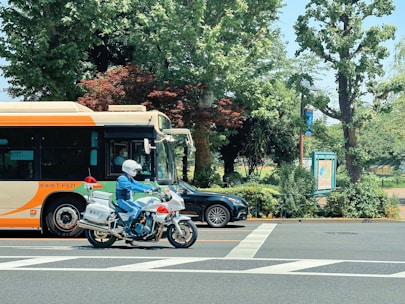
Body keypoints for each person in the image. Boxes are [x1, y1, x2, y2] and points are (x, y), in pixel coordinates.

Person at [116, 159, 154, 237]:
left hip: (127, 200)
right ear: (129, 169)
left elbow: (138, 184)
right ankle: (127, 229)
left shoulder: (129, 178)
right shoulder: (122, 179)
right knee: (136, 209)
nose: (135, 171)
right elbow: (131, 187)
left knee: (141, 209)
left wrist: (151, 188)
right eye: (134, 170)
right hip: (122, 200)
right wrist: (145, 191)